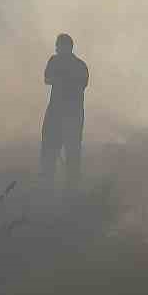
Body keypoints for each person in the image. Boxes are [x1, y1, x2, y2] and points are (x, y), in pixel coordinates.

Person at [41, 33, 89, 188]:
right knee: (51, 152)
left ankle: (70, 189)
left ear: (67, 47)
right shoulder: (69, 63)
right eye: (57, 45)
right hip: (60, 113)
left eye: (58, 45)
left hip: (68, 115)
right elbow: (47, 79)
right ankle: (49, 186)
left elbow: (81, 84)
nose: (56, 48)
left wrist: (62, 78)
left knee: (71, 153)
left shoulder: (78, 65)